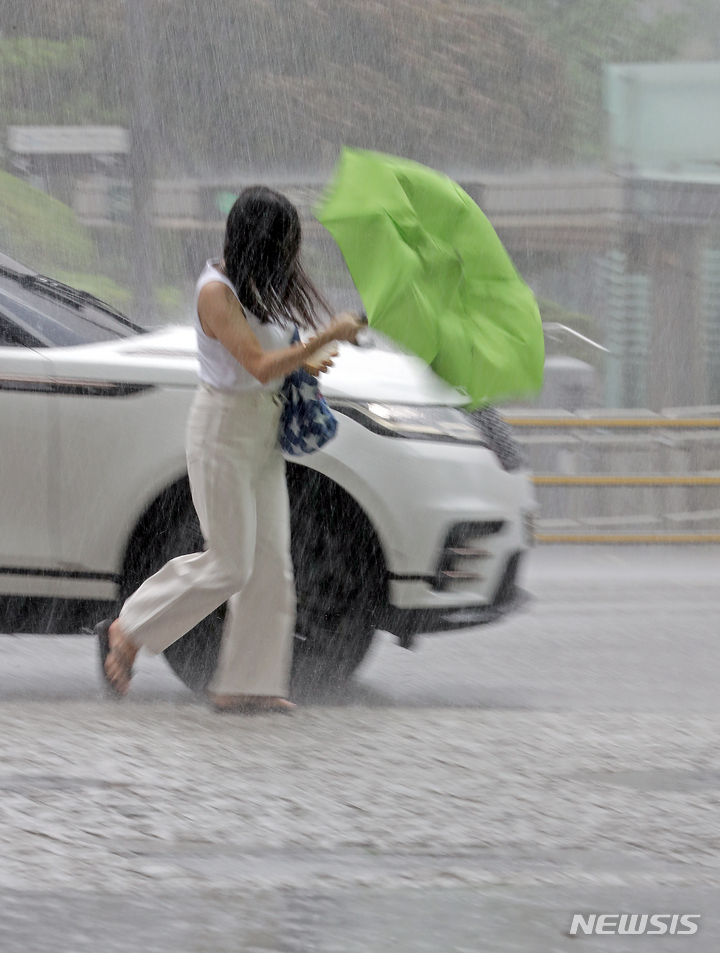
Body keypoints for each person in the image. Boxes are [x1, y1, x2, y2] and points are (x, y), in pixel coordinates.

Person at [96, 186, 361, 712]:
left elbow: (266, 357)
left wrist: (305, 361)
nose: (291, 257)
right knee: (230, 564)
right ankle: (129, 628)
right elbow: (258, 365)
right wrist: (323, 336)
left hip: (260, 433)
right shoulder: (215, 291)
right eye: (284, 244)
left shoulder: (255, 284)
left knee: (270, 567)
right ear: (257, 242)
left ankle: (247, 684)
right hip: (221, 432)